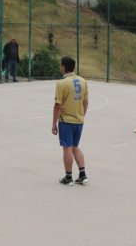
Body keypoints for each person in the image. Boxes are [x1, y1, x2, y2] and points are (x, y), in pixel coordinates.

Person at [52, 56, 89, 186]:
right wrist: (81, 116)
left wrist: (54, 124)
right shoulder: (82, 81)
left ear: (63, 66)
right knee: (75, 146)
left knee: (67, 148)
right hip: (79, 120)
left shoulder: (61, 83)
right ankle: (83, 174)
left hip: (66, 120)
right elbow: (86, 101)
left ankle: (68, 177)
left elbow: (58, 106)